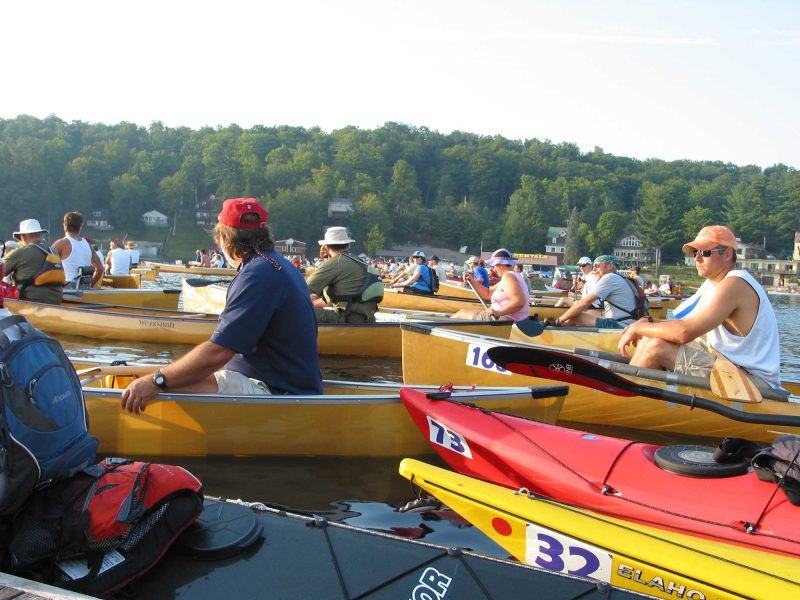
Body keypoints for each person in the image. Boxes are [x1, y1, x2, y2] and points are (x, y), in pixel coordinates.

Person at [121, 197, 323, 413]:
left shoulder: (257, 274)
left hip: (277, 392)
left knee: (158, 383)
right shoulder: (278, 265)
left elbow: (219, 353)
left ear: (224, 237)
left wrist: (157, 381)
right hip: (283, 384)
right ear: (264, 233)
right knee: (170, 374)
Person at [618, 225, 780, 387]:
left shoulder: (735, 283)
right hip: (729, 368)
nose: (697, 258)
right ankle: (629, 392)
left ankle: (623, 401)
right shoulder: (714, 283)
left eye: (705, 252)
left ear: (728, 253)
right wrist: (644, 324)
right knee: (651, 337)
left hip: (752, 383)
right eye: (695, 253)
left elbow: (684, 332)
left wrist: (636, 328)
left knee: (656, 347)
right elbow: (682, 325)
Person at [306, 227, 378, 323]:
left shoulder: (336, 262)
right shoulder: (360, 261)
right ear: (348, 245)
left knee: (296, 311)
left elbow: (303, 288)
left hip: (347, 317)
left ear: (326, 247)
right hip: (367, 318)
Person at [554, 255, 639, 329]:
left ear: (609, 266)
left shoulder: (609, 278)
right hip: (629, 322)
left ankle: (558, 329)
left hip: (619, 325)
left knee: (575, 316)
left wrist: (560, 319)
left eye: (597, 266)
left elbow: (583, 303)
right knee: (591, 312)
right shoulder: (621, 277)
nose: (594, 269)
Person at [453, 248, 530, 321]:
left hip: (504, 319)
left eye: (494, 265)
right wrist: (472, 281)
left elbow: (519, 302)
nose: (493, 268)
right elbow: (488, 293)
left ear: (500, 265)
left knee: (461, 313)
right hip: (505, 318)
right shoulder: (513, 275)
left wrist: (498, 312)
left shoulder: (508, 277)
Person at [3, 219, 64, 305]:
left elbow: (1, 268)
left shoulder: (21, 252)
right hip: (56, 301)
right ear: (41, 235)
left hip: (31, 302)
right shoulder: (53, 252)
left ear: (23, 237)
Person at [52, 211, 104, 289]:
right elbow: (100, 269)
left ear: (64, 226)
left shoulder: (60, 244)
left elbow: (46, 265)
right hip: (85, 288)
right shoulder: (88, 245)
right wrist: (90, 285)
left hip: (68, 288)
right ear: (80, 227)